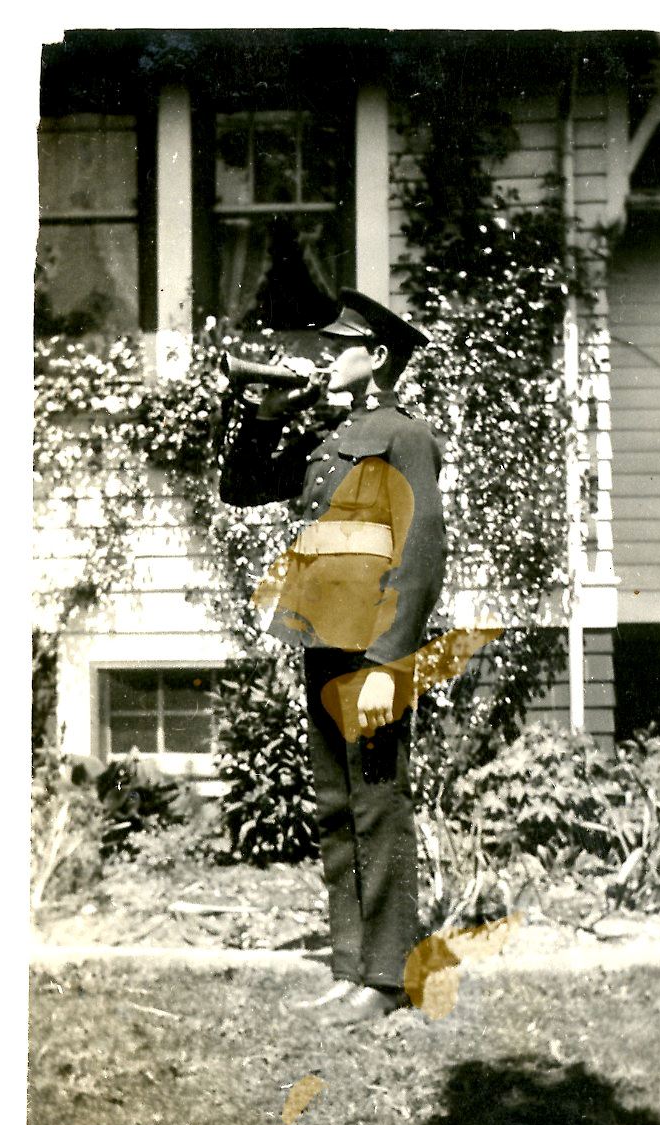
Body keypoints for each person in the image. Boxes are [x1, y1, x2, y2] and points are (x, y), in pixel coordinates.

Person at [218, 289, 447, 1024]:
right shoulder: (331, 433)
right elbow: (240, 489)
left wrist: (389, 661)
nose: (324, 355)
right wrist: (264, 415)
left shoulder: (404, 436)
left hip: (372, 647)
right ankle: (352, 967)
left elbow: (420, 555)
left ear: (376, 357)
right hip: (322, 633)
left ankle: (387, 978)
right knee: (339, 804)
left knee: (378, 804)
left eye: (338, 345)